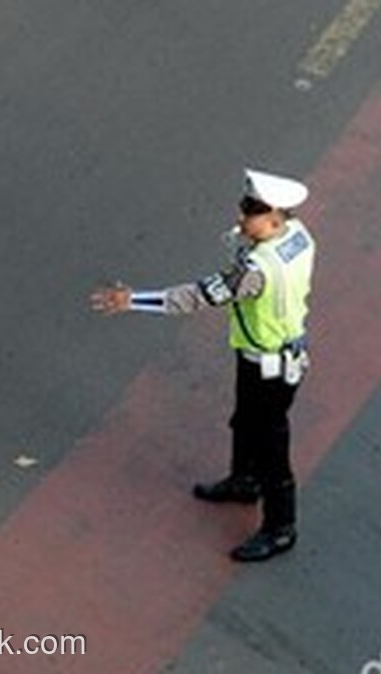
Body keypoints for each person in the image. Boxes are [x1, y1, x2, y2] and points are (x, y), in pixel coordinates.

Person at [90, 168, 316, 562]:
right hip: (267, 355)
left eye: (253, 209)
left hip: (271, 365)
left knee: (271, 446)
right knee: (245, 421)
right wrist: (244, 238)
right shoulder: (297, 237)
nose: (242, 214)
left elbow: (195, 297)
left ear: (276, 217)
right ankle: (244, 481)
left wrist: (132, 300)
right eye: (245, 205)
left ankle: (281, 528)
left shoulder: (254, 274)